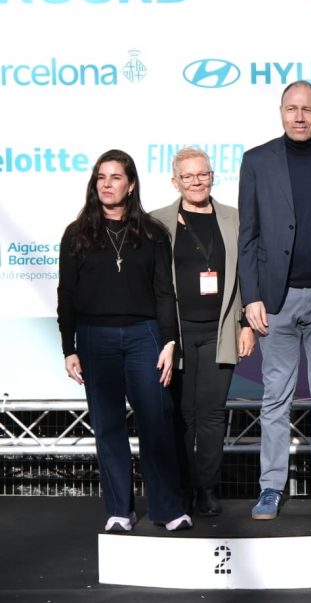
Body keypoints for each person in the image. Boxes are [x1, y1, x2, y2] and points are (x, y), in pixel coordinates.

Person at [238, 81, 311, 520]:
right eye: (292, 108)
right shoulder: (256, 160)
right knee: (275, 397)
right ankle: (271, 487)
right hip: (277, 299)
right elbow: (248, 234)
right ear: (281, 112)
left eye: (307, 109)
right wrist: (251, 298)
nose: (299, 116)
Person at [57, 149, 191, 532]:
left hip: (144, 335)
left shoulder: (152, 233)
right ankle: (119, 509)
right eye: (101, 177)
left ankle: (167, 509)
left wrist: (169, 342)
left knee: (156, 421)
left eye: (115, 177)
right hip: (94, 338)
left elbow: (164, 292)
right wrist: (68, 348)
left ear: (130, 185)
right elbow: (67, 294)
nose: (107, 184)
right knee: (108, 426)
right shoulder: (76, 234)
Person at [151, 147, 255, 517]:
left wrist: (246, 325)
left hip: (220, 331)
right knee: (180, 415)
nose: (196, 182)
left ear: (212, 176)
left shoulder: (234, 218)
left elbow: (248, 274)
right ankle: (181, 489)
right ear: (175, 181)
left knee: (211, 415)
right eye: (188, 176)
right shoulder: (156, 222)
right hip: (175, 335)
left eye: (202, 174)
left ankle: (207, 489)